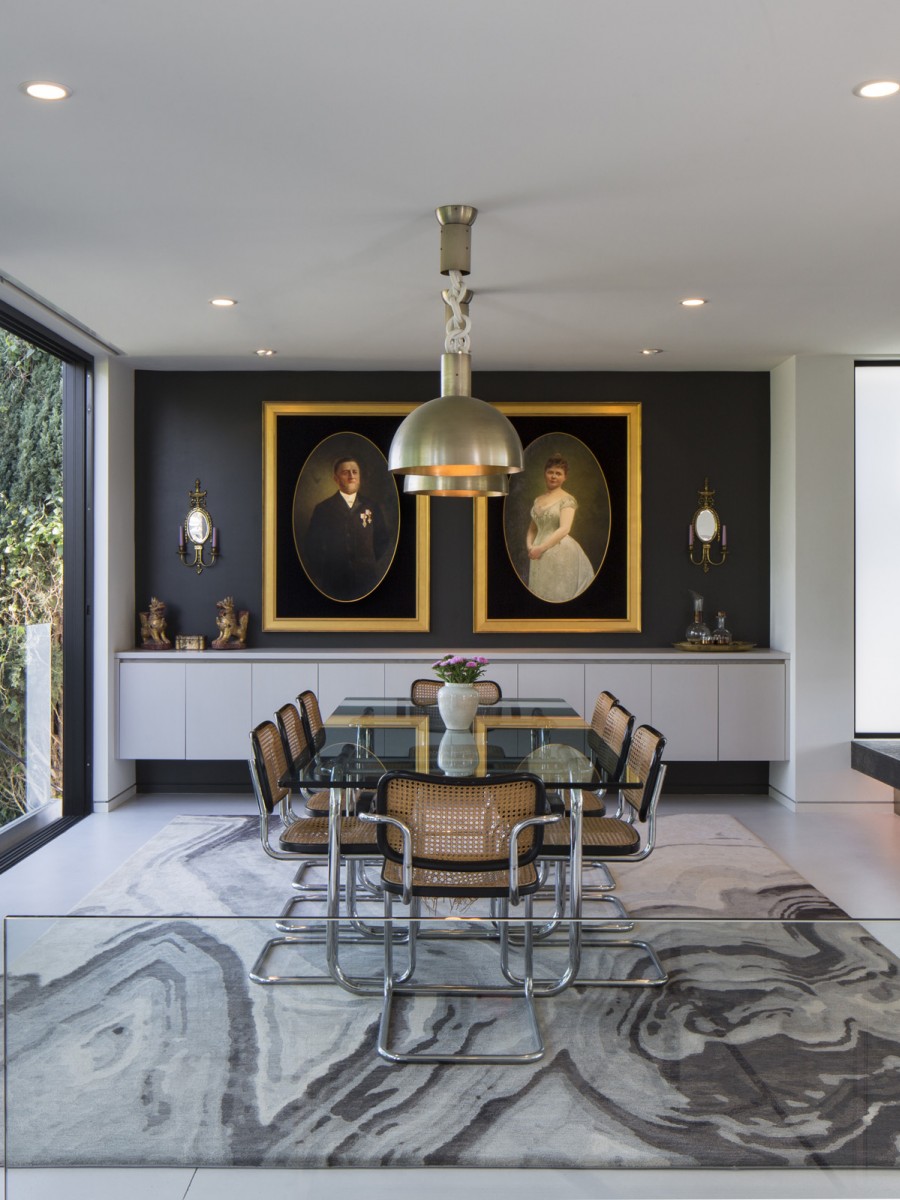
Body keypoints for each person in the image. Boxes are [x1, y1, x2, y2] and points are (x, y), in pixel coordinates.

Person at [303, 457, 392, 601]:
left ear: (359, 477)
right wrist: (327, 569)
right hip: (333, 581)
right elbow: (312, 545)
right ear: (336, 478)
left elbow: (382, 539)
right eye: (345, 472)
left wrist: (367, 562)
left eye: (355, 472)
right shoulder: (323, 509)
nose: (351, 476)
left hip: (367, 581)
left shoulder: (372, 506)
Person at [525, 453, 595, 603]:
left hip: (559, 549)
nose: (554, 476)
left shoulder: (567, 499)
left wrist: (541, 548)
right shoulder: (538, 499)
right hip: (537, 551)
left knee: (557, 591)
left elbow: (564, 529)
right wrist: (530, 546)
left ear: (565, 477)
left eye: (558, 473)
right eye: (550, 472)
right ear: (545, 473)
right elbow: (532, 528)